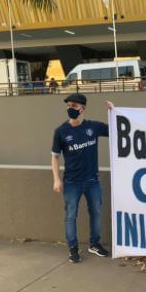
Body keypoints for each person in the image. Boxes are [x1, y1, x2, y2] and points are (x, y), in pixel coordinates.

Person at [51, 93, 114, 263]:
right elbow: (55, 157)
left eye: (73, 105)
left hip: (92, 181)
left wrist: (113, 111)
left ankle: (94, 244)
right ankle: (73, 249)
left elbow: (116, 128)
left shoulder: (93, 127)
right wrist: (56, 179)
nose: (70, 108)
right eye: (68, 105)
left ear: (82, 108)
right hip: (72, 183)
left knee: (96, 213)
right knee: (71, 215)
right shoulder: (61, 131)